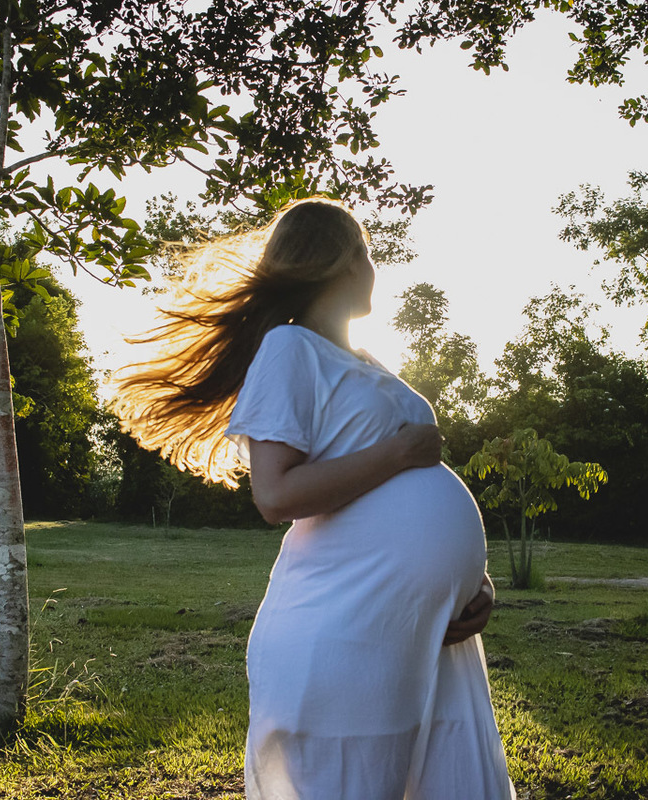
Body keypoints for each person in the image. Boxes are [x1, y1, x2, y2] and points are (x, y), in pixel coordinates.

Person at [112, 198, 515, 800]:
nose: (374, 269)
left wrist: (470, 587)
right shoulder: (289, 348)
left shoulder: (366, 361)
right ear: (347, 260)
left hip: (419, 637)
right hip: (346, 633)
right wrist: (398, 454)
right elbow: (275, 494)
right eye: (369, 254)